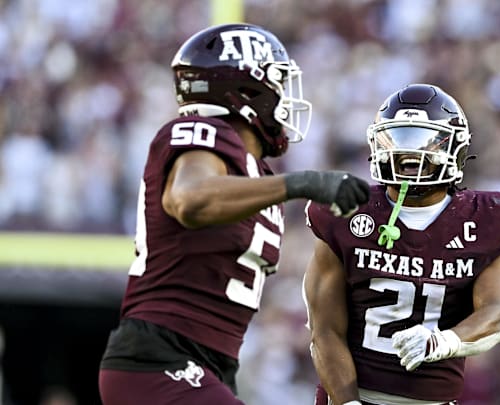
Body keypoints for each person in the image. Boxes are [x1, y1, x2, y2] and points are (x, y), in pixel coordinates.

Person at [98, 23, 369, 405]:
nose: (283, 99)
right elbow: (190, 200)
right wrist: (302, 183)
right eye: (276, 85)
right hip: (159, 358)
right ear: (245, 91)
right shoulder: (202, 133)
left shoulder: (255, 178)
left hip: (210, 366)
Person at [302, 83, 500, 405]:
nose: (410, 154)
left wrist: (443, 342)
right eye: (397, 139)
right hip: (350, 395)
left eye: (423, 140)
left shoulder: (489, 218)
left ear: (455, 148)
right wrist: (348, 402)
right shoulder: (345, 209)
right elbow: (324, 331)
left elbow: (499, 312)